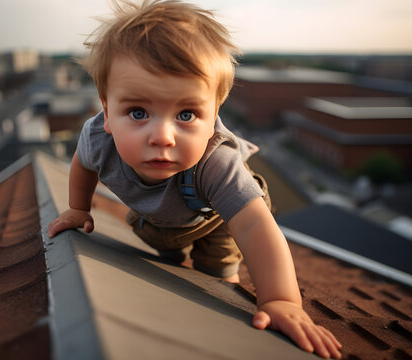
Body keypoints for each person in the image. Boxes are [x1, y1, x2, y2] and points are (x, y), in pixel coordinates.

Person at [48, 1, 342, 358]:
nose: (163, 136)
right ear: (107, 113)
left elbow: (254, 227)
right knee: (163, 250)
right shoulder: (97, 138)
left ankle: (222, 282)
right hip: (158, 217)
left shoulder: (216, 163)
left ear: (214, 114)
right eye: (138, 112)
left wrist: (280, 299)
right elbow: (82, 164)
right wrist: (78, 209)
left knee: (216, 278)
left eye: (186, 114)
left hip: (216, 218)